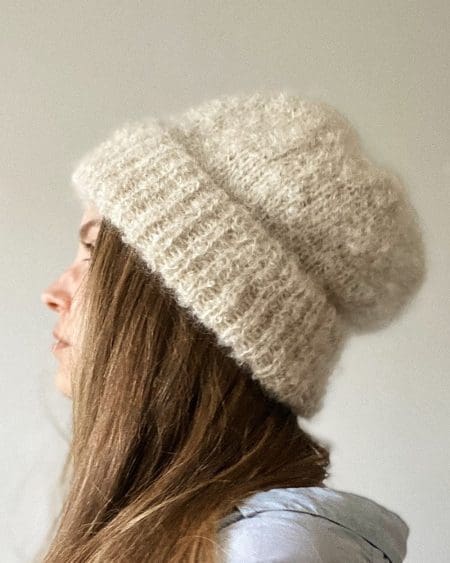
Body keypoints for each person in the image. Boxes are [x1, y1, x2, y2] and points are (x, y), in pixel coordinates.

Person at [40, 91, 426, 562]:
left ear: (186, 307)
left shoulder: (268, 552)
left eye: (95, 252)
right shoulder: (176, 529)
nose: (53, 293)